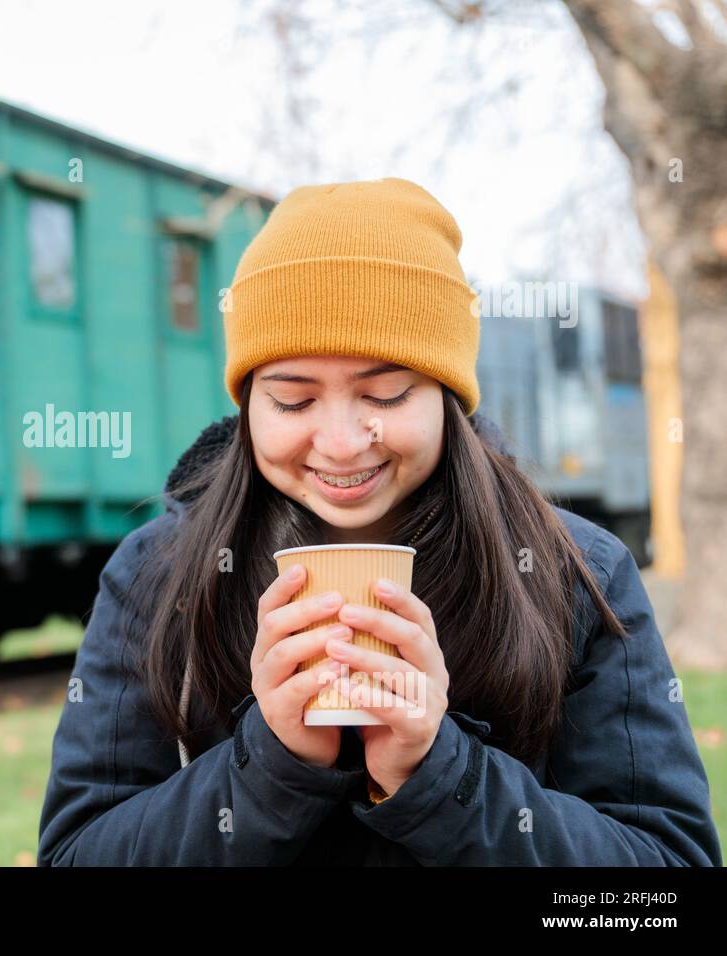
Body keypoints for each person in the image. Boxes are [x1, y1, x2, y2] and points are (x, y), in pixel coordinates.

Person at [36, 178, 721, 866]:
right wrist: (270, 764)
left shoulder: (578, 572)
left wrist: (442, 775)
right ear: (249, 407)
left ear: (447, 396)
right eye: (292, 401)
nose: (339, 442)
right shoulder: (157, 576)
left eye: (386, 393)